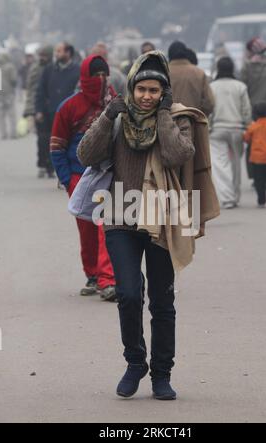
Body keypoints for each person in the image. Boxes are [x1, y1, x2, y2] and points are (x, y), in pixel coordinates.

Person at [78, 51, 219, 400]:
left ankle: (161, 374)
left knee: (161, 300)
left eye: (155, 90)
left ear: (163, 92)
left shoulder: (176, 118)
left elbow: (177, 154)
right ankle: (135, 361)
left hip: (162, 218)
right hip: (119, 214)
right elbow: (86, 154)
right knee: (127, 293)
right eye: (142, 89)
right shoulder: (115, 117)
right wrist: (109, 113)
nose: (146, 96)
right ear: (131, 87)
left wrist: (165, 115)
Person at [50, 55, 117, 300]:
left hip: (110, 176)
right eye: (95, 75)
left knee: (106, 228)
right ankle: (93, 274)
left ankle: (107, 279)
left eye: (103, 74)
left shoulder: (116, 103)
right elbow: (57, 147)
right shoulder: (69, 107)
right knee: (87, 232)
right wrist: (68, 181)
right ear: (84, 77)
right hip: (81, 178)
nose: (100, 79)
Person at [210, 57, 252, 209]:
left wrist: (208, 126)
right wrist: (248, 126)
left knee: (220, 164)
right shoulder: (240, 86)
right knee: (235, 163)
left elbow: (209, 108)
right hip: (237, 129)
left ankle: (227, 198)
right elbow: (246, 110)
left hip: (217, 130)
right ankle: (235, 194)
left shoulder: (212, 86)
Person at [35, 42, 80, 178]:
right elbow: (41, 91)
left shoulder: (77, 70)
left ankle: (68, 170)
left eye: (59, 51)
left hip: (70, 115)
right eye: (56, 51)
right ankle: (49, 166)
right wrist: (39, 110)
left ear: (68, 53)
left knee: (68, 143)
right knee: (50, 141)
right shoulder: (49, 70)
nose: (56, 54)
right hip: (51, 112)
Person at [23, 46, 54, 174]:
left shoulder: (55, 68)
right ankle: (42, 163)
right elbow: (30, 90)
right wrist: (30, 109)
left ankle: (50, 166)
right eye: (40, 55)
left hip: (53, 108)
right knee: (42, 138)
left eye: (44, 55)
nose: (42, 58)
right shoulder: (35, 69)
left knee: (53, 140)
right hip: (39, 107)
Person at [168, 41, 215, 117]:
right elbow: (209, 103)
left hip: (168, 123)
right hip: (193, 123)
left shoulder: (164, 73)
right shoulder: (199, 73)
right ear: (186, 54)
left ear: (169, 55)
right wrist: (199, 115)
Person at [0, 53, 17, 140]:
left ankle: (3, 134)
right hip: (9, 94)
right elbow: (14, 80)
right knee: (11, 115)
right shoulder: (10, 67)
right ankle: (13, 134)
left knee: (1, 116)